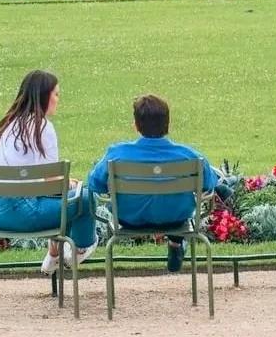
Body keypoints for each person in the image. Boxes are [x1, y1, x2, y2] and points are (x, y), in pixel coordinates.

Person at [88, 94, 217, 272]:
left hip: (130, 218)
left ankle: (175, 242)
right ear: (168, 124)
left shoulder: (116, 154)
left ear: (136, 125)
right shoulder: (191, 156)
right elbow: (209, 185)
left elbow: (95, 185)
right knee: (169, 204)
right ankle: (175, 241)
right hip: (176, 218)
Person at [0, 71, 97, 272]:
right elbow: (52, 183)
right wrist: (71, 183)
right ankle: (79, 249)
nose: (57, 100)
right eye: (56, 94)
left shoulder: (5, 126)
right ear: (45, 96)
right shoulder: (42, 127)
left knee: (66, 198)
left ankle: (54, 254)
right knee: (85, 197)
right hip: (23, 213)